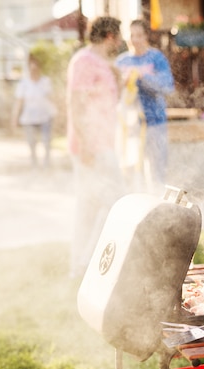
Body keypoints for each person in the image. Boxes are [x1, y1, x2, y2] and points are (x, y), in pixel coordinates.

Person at [66, 16, 126, 279]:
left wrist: (118, 79)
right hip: (92, 146)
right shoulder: (84, 62)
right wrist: (86, 145)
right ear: (110, 36)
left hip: (104, 143)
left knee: (93, 207)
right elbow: (76, 103)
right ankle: (88, 264)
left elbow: (111, 102)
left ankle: (82, 266)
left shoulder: (102, 64)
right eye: (119, 36)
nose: (122, 41)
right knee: (111, 203)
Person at [116, 19, 174, 191]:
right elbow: (114, 93)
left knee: (156, 173)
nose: (135, 39)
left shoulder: (156, 58)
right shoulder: (121, 62)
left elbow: (167, 86)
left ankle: (157, 212)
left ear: (146, 36)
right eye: (131, 35)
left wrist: (143, 77)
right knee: (132, 173)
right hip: (130, 128)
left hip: (155, 123)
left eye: (139, 35)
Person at [11, 54, 55, 168]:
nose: (34, 71)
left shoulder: (46, 81)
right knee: (32, 143)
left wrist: (57, 113)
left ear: (39, 69)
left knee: (46, 142)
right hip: (29, 118)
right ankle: (34, 166)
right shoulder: (23, 84)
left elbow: (52, 98)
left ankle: (47, 166)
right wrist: (14, 118)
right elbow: (19, 102)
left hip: (45, 116)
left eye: (36, 69)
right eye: (31, 69)